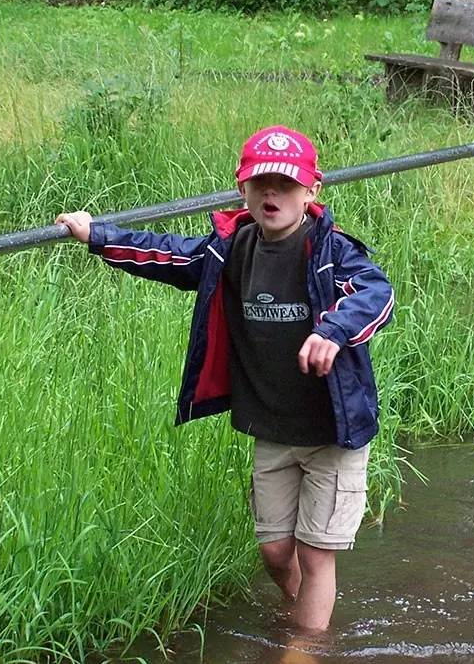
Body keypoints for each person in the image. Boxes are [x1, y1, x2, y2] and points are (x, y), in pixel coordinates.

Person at [56, 126, 394, 633]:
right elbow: (166, 252)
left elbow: (376, 292)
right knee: (277, 553)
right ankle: (306, 616)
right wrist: (98, 234)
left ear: (312, 190)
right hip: (273, 429)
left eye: (285, 183)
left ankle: (305, 647)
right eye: (261, 184)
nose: (272, 194)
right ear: (243, 189)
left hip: (332, 433)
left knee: (315, 553)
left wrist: (335, 328)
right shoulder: (230, 248)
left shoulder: (332, 251)